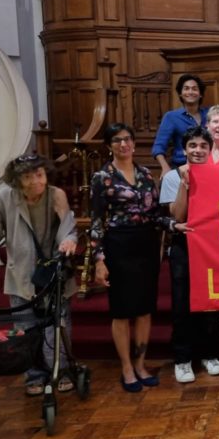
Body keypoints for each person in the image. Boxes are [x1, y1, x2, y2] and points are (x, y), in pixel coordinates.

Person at [90, 123, 187, 392]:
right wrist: (99, 259)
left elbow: (155, 213)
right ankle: (126, 367)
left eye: (128, 139)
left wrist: (173, 225)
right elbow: (97, 222)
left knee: (145, 308)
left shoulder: (146, 174)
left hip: (146, 244)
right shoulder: (102, 177)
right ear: (109, 145)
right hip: (119, 245)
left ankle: (141, 363)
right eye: (118, 140)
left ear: (134, 143)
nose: (124, 144)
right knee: (122, 310)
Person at [0, 155, 78, 396]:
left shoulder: (56, 195)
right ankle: (34, 376)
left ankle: (63, 370)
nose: (35, 181)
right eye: (28, 176)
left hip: (52, 272)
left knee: (58, 325)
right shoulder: (4, 199)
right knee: (26, 329)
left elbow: (68, 227)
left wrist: (68, 241)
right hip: (21, 275)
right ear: (17, 180)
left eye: (39, 175)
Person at [160, 127, 219, 383]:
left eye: (202, 146)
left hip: (211, 248)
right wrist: (186, 185)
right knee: (182, 304)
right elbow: (177, 215)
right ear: (184, 149)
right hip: (183, 246)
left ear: (210, 150)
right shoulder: (172, 178)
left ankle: (210, 354)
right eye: (192, 146)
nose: (197, 151)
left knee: (211, 302)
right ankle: (183, 359)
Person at [151, 74, 208, 176]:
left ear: (200, 94)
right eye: (186, 89)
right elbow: (158, 147)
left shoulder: (209, 114)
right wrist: (165, 168)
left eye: (194, 89)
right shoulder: (171, 117)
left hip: (208, 166)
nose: (190, 92)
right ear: (180, 94)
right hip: (180, 167)